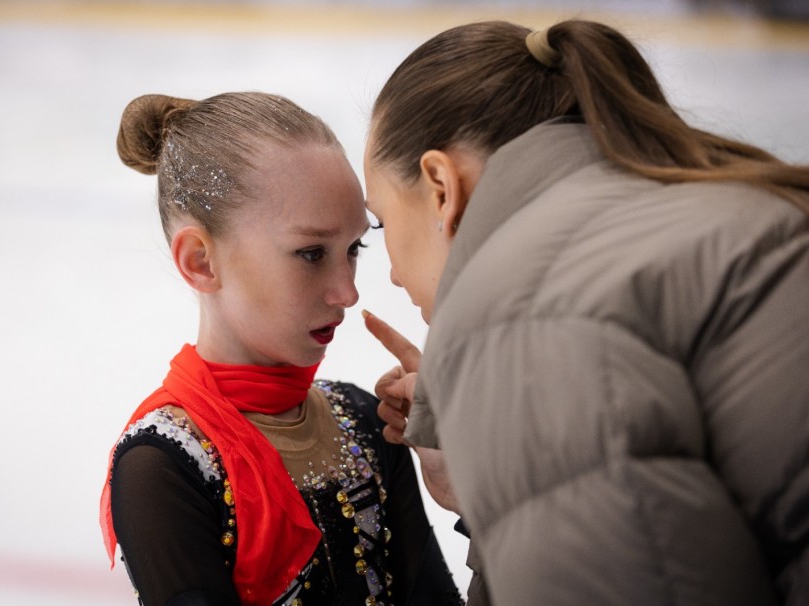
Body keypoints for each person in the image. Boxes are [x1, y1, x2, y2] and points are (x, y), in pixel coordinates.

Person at [360, 19, 809, 606]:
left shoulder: (522, 303)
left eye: (380, 223)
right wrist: (494, 476)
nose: (392, 273)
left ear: (441, 186)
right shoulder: (721, 207)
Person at [99, 92, 463, 606]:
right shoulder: (163, 465)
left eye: (353, 248)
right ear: (201, 261)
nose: (348, 292)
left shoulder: (367, 419)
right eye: (311, 253)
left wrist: (465, 491)